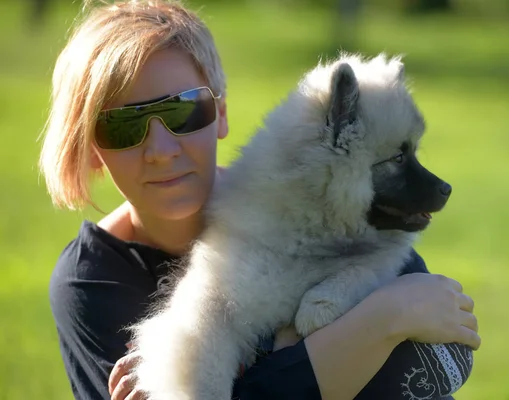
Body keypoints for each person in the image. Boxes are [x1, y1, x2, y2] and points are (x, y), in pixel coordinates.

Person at [39, 1, 481, 399]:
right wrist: (380, 319)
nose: (160, 150)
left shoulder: (324, 211)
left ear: (222, 113)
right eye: (123, 127)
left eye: (183, 110)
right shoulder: (92, 281)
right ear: (93, 147)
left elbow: (440, 368)